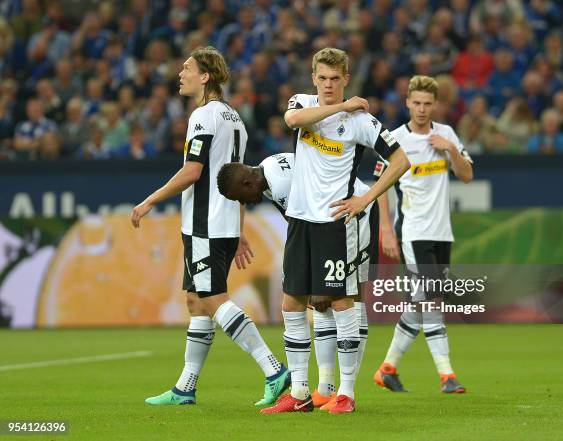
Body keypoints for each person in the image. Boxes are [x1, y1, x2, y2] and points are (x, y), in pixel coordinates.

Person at [131, 46, 289, 408]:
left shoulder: (203, 116)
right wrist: (241, 227)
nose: (180, 73)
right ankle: (185, 388)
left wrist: (150, 200)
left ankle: (273, 370)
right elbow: (241, 181)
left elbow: (193, 171)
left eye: (187, 68)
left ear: (205, 76)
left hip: (205, 225)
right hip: (222, 223)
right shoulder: (235, 119)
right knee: (196, 302)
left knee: (214, 299)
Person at [255, 47, 410, 414]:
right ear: (313, 78)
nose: (327, 85)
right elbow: (292, 120)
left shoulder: (361, 123)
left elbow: (401, 159)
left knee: (341, 303)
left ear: (345, 79)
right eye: (322, 78)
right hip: (299, 220)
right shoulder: (306, 104)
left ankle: (346, 394)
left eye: (334, 80)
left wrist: (366, 197)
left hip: (333, 224)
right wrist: (342, 107)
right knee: (292, 302)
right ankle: (300, 393)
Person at [217, 152, 378, 410]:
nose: (245, 203)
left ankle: (346, 392)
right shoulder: (267, 169)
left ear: (248, 183)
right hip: (328, 221)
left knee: (349, 297)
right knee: (307, 303)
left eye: (240, 198)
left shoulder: (281, 186)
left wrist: (317, 278)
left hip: (352, 214)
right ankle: (321, 390)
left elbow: (313, 218)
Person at [373, 75, 473, 394]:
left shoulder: (446, 135)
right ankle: (447, 375)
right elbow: (381, 188)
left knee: (421, 302)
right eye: (416, 102)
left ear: (435, 105)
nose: (421, 109)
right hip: (413, 232)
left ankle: (387, 368)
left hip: (442, 233)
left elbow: (467, 175)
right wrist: (386, 230)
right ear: (407, 103)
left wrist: (451, 151)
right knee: (431, 300)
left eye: (427, 104)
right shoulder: (395, 140)